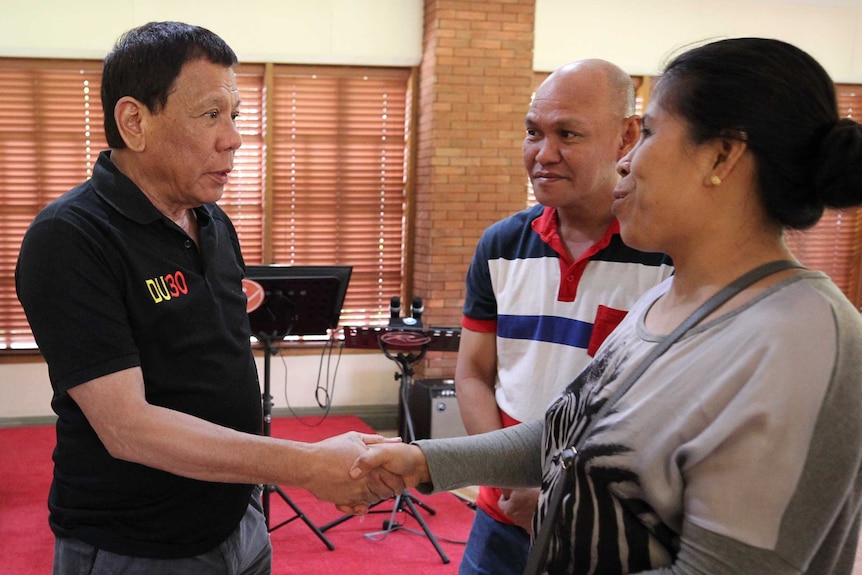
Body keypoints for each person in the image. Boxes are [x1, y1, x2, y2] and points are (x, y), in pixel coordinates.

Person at [352, 37, 862, 574]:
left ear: (722, 155)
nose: (627, 163)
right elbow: (567, 437)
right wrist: (420, 460)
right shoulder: (667, 301)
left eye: (648, 134)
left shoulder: (806, 337)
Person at [15, 21, 393, 575]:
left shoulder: (212, 220)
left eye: (235, 115)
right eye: (211, 114)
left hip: (238, 517)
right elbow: (128, 428)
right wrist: (308, 464)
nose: (234, 137)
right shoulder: (70, 237)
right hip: (138, 545)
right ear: (134, 121)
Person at [455, 59, 672, 574]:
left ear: (626, 137)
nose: (543, 155)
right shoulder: (501, 245)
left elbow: (660, 417)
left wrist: (558, 495)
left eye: (568, 134)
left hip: (608, 530)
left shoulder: (667, 256)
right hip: (502, 517)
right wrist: (512, 482)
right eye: (534, 132)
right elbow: (473, 375)